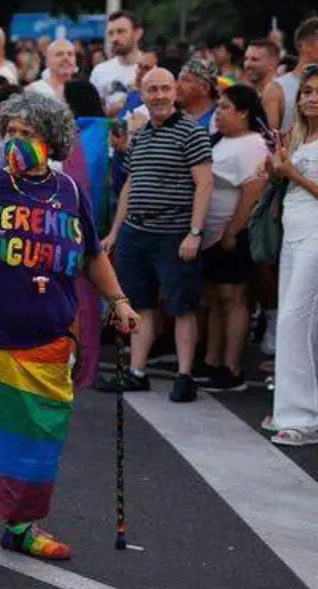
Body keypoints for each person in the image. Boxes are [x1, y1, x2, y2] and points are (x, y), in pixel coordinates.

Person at [0, 92, 140, 560]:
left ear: (50, 140)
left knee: (31, 440)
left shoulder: (71, 194)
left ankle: (22, 527)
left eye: (27, 134)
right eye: (10, 132)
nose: (15, 142)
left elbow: (93, 257)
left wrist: (118, 300)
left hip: (42, 344)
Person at [98, 68, 214, 403]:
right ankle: (136, 373)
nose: (159, 95)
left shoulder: (191, 132)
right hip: (136, 233)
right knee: (140, 306)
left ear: (175, 91)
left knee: (181, 307)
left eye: (165, 88)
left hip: (174, 234)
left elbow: (204, 184)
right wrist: (116, 232)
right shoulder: (143, 135)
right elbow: (131, 185)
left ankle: (185, 375)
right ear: (142, 93)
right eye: (152, 90)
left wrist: (194, 232)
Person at [198, 85, 269, 392]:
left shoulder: (252, 144)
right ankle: (212, 359)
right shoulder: (218, 141)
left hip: (232, 232)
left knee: (234, 298)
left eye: (226, 107)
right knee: (214, 298)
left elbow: (252, 192)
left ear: (244, 113)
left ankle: (232, 365)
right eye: (219, 107)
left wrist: (232, 230)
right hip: (210, 233)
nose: (219, 112)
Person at [262, 66, 318, 445]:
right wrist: (276, 168)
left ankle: (302, 417)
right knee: (294, 320)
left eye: (317, 92)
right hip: (293, 232)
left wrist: (292, 174)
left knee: (296, 320)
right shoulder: (299, 136)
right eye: (307, 91)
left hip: (315, 233)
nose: (311, 97)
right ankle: (289, 408)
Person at [92, 11, 146, 117]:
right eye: (111, 33)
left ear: (137, 33)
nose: (115, 38)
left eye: (121, 31)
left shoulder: (152, 67)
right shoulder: (100, 71)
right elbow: (93, 113)